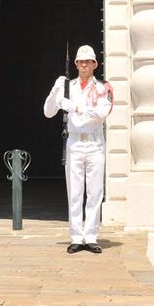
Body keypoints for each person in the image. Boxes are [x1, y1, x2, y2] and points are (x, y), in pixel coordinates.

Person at [42, 45, 112, 254]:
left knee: (94, 191)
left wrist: (74, 107)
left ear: (94, 64)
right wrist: (56, 90)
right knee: (75, 191)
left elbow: (101, 113)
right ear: (75, 64)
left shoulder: (103, 87)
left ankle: (90, 236)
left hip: (94, 143)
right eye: (80, 62)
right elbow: (48, 112)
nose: (83, 65)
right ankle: (75, 236)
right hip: (74, 142)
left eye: (87, 62)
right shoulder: (68, 86)